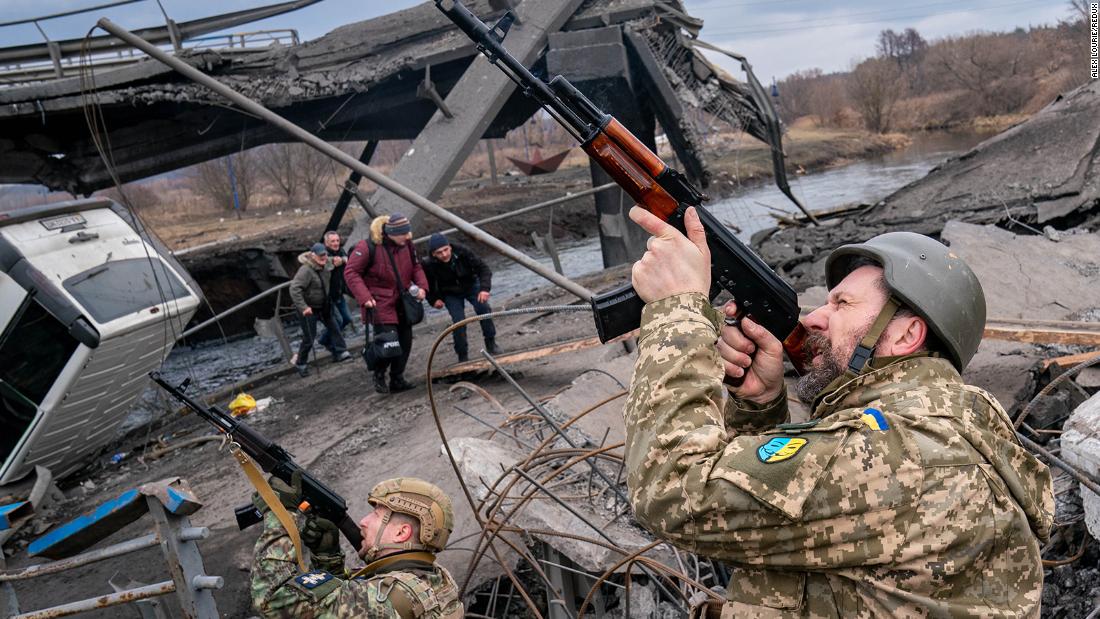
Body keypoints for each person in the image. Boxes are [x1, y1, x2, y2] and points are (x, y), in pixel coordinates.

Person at [623, 206, 1054, 617]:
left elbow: (672, 492)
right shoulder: (943, 428)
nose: (814, 319)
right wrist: (758, 406)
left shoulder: (899, 452)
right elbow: (757, 524)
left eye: (841, 304)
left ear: (906, 334)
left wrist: (676, 311)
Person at [250, 476, 464, 618]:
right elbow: (340, 605)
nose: (364, 521)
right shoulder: (436, 579)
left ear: (401, 533)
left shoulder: (392, 596)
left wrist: (280, 517)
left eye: (377, 515)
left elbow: (271, 599)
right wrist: (328, 558)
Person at [344, 214, 428, 394]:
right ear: (390, 233)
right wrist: (364, 297)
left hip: (402, 300)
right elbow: (351, 272)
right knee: (389, 344)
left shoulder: (407, 245)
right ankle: (379, 374)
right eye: (402, 234)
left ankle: (397, 379)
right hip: (379, 302)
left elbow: (416, 266)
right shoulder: (367, 247)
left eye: (408, 233)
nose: (407, 237)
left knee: (405, 343)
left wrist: (422, 287)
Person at [422, 232, 499, 362]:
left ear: (450, 247)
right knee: (458, 321)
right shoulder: (428, 264)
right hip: (450, 292)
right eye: (439, 252)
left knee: (483, 308)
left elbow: (484, 269)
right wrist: (434, 300)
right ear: (433, 254)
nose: (444, 254)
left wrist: (484, 289)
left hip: (470, 284)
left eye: (446, 250)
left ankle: (491, 343)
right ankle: (462, 355)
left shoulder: (463, 252)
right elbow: (427, 285)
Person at [289, 242, 352, 376]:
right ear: (313, 256)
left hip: (324, 305)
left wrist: (342, 259)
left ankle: (341, 352)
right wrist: (303, 307)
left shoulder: (326, 263)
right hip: (309, 309)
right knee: (309, 338)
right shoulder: (305, 271)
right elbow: (294, 289)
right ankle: (301, 363)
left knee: (335, 327)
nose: (324, 258)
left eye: (325, 255)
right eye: (320, 256)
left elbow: (337, 261)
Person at [318, 230, 354, 353]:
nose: (336, 243)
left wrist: (343, 259)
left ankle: (324, 340)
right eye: (332, 241)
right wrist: (334, 261)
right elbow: (325, 263)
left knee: (347, 319)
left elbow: (348, 259)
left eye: (337, 240)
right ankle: (336, 348)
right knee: (336, 322)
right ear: (326, 243)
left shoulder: (341, 251)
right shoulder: (322, 254)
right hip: (327, 297)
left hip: (338, 293)